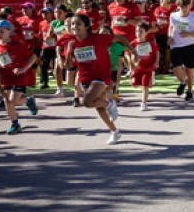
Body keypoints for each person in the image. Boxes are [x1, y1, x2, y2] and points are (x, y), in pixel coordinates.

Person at [67, 14, 134, 145]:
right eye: (72, 24)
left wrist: (133, 51)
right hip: (86, 78)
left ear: (86, 26)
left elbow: (120, 38)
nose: (74, 27)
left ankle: (110, 104)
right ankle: (114, 132)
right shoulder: (72, 43)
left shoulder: (98, 38)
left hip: (101, 77)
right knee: (98, 107)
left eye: (78, 24)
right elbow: (69, 66)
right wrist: (69, 52)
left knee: (86, 102)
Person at [0, 20, 38, 135]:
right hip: (6, 77)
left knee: (14, 100)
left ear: (9, 32)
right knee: (7, 101)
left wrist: (23, 68)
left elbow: (33, 57)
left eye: (1, 31)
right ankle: (15, 124)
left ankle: (28, 100)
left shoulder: (17, 45)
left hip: (20, 76)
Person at [168, 0, 194, 100]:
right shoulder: (173, 16)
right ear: (178, 6)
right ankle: (183, 81)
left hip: (190, 45)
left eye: (186, 6)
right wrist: (169, 37)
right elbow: (170, 27)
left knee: (190, 69)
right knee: (176, 69)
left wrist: (189, 34)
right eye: (182, 6)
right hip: (176, 45)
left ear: (190, 6)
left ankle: (190, 90)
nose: (184, 9)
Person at [130, 22, 159, 111]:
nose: (138, 33)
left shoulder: (150, 43)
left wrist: (157, 62)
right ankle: (144, 88)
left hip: (148, 68)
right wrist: (132, 64)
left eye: (141, 31)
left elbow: (157, 52)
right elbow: (129, 54)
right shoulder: (133, 43)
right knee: (135, 85)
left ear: (146, 32)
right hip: (137, 69)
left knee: (145, 85)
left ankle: (143, 103)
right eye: (137, 31)